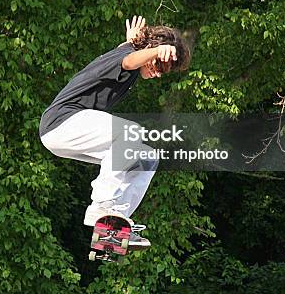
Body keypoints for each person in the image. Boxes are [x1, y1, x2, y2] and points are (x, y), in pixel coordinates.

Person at [39, 16, 191, 247]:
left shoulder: (126, 51)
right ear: (150, 51)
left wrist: (138, 44)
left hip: (70, 131)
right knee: (131, 131)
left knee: (148, 157)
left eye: (165, 71)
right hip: (62, 122)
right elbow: (129, 60)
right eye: (159, 64)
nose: (159, 73)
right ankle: (101, 206)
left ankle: (115, 224)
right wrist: (155, 50)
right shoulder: (126, 58)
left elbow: (129, 52)